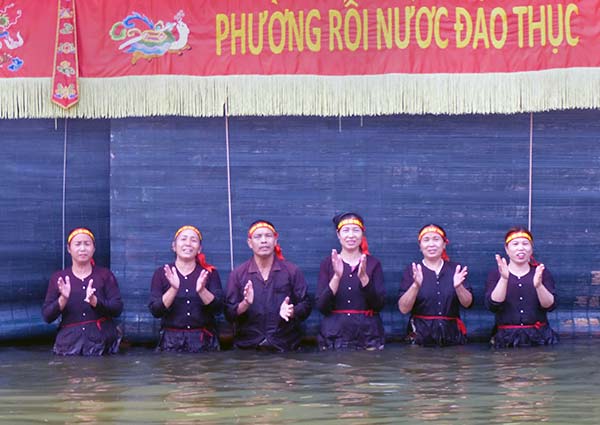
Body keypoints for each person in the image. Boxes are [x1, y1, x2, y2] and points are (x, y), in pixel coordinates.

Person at [225, 220, 311, 352]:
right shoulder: (238, 274)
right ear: (250, 243)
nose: (264, 240)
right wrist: (245, 304)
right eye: (258, 237)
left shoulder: (292, 271)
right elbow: (228, 313)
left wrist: (292, 311)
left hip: (285, 346)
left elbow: (306, 305)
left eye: (268, 236)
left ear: (275, 240)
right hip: (248, 348)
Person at [42, 227, 123, 355]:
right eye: (78, 244)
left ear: (94, 248)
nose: (83, 249)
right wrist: (63, 299)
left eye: (87, 244)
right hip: (69, 345)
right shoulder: (59, 278)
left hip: (101, 343)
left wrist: (96, 302)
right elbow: (47, 316)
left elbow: (117, 309)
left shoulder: (105, 275)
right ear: (69, 249)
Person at [315, 212, 385, 350]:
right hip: (334, 335)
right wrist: (336, 277)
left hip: (368, 335)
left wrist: (364, 278)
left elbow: (379, 305)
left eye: (356, 230)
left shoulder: (373, 264)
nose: (351, 235)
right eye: (346, 230)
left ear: (362, 234)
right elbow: (322, 307)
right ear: (338, 234)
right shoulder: (328, 264)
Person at [149, 225, 223, 352]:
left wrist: (202, 291)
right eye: (183, 239)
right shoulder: (161, 273)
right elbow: (156, 311)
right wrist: (173, 289)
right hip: (170, 342)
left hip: (203, 341)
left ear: (199, 249)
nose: (188, 244)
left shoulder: (209, 273)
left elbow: (218, 309)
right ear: (174, 246)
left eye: (193, 240)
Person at [397, 224, 473, 346]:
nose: (431, 244)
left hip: (452, 336)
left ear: (444, 244)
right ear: (420, 246)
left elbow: (468, 303)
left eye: (436, 239)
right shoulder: (412, 270)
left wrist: (458, 287)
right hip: (420, 337)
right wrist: (416, 286)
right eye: (426, 240)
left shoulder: (456, 269)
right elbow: (403, 309)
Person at [485, 227, 558, 347]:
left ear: (531, 249)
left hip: (539, 337)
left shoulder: (541, 272)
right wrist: (504, 279)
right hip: (506, 338)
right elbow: (493, 305)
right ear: (507, 249)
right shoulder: (495, 274)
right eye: (515, 244)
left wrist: (539, 286)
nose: (521, 247)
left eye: (525, 243)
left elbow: (550, 305)